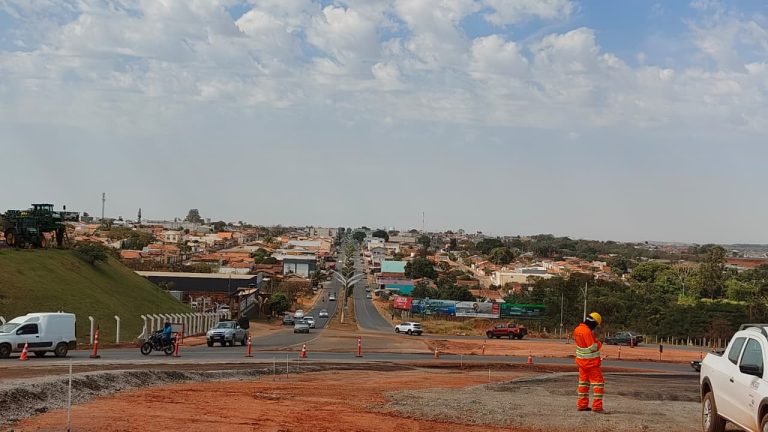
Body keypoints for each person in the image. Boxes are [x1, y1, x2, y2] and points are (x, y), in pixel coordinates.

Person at [573, 312, 604, 413]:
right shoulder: (587, 332)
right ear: (594, 323)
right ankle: (597, 407)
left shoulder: (577, 329)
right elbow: (592, 348)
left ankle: (582, 405)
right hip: (591, 364)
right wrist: (599, 343)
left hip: (581, 363)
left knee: (583, 384)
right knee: (598, 384)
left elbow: (582, 345)